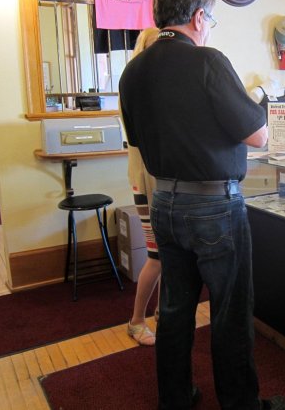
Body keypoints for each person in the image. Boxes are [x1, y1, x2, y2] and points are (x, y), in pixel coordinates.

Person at [119, 0, 285, 410]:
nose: (209, 27)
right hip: (214, 204)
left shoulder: (133, 72)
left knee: (176, 309)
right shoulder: (208, 61)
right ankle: (240, 405)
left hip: (164, 203)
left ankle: (175, 398)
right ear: (198, 17)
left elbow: (139, 139)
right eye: (210, 18)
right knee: (229, 312)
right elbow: (258, 136)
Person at [125, 27, 161, 347]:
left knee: (174, 256)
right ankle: (137, 320)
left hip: (164, 182)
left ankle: (165, 314)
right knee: (158, 255)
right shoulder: (135, 85)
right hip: (146, 182)